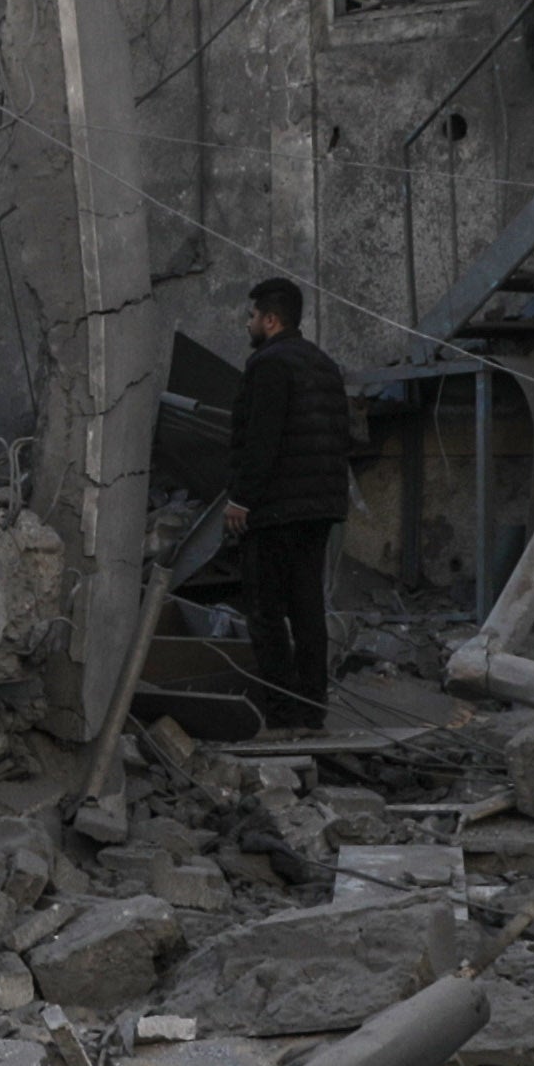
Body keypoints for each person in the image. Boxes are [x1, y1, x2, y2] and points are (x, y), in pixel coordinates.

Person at [223, 279, 358, 734]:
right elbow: (343, 438)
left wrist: (242, 499)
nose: (248, 324)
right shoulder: (323, 365)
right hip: (319, 509)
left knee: (265, 614)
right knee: (308, 612)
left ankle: (281, 715)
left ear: (270, 320)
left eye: (252, 317)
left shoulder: (269, 366)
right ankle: (311, 711)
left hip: (276, 510)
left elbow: (262, 440)